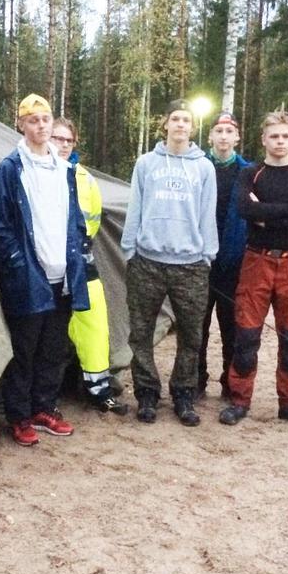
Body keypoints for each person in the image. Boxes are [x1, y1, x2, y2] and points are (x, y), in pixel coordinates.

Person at [0, 94, 90, 447]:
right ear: (22, 124)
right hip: (30, 273)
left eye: (46, 119)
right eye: (34, 120)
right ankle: (19, 416)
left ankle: (45, 408)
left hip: (63, 275)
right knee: (24, 350)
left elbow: (73, 216)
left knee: (53, 349)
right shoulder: (11, 168)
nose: (41, 126)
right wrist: (18, 263)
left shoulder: (65, 169)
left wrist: (77, 248)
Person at [220, 108, 288, 430]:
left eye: (285, 136)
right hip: (256, 261)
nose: (279, 141)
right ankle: (239, 400)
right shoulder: (251, 174)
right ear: (263, 139)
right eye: (273, 136)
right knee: (247, 334)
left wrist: (268, 213)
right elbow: (245, 208)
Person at [121, 100, 218, 427]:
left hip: (190, 263)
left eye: (186, 120)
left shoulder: (204, 168)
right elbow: (135, 206)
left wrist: (207, 254)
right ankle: (147, 392)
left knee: (191, 334)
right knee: (141, 332)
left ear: (192, 127)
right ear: (166, 124)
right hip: (148, 260)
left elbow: (208, 213)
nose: (180, 125)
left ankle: (183, 393)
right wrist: (129, 248)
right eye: (175, 119)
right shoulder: (147, 164)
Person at [51, 117, 128, 415]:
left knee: (94, 326)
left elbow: (93, 219)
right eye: (57, 139)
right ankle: (47, 395)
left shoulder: (85, 179)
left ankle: (99, 390)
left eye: (68, 140)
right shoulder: (33, 173)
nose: (63, 145)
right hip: (50, 267)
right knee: (52, 332)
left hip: (83, 263)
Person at [198, 112, 253, 399]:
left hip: (235, 263)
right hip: (199, 263)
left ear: (237, 137)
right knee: (198, 327)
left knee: (233, 328)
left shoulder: (249, 172)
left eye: (228, 131)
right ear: (210, 137)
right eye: (218, 131)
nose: (223, 136)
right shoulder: (196, 167)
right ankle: (196, 381)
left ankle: (231, 384)